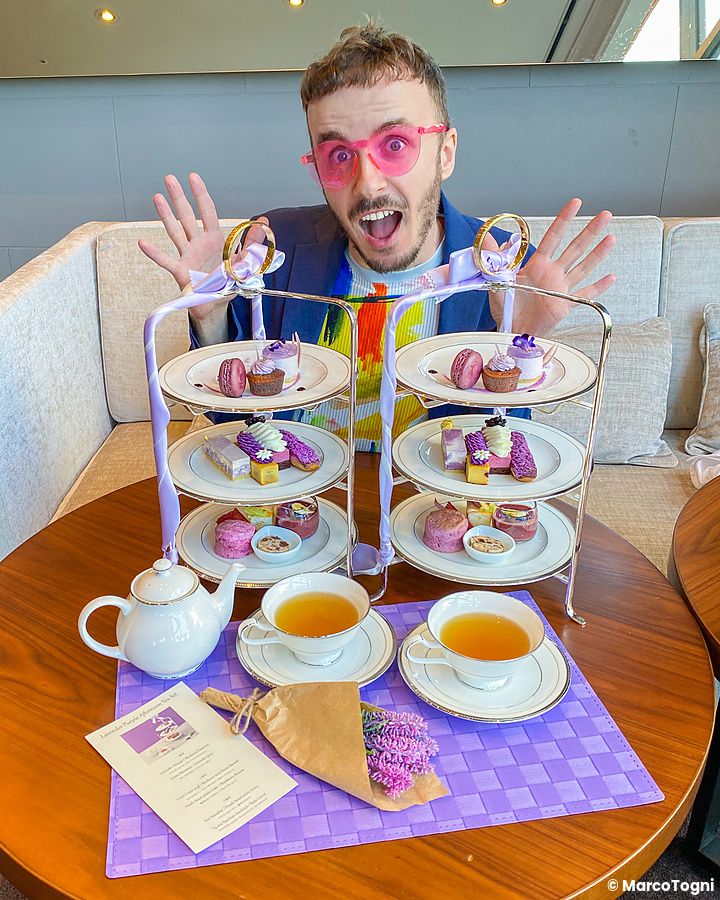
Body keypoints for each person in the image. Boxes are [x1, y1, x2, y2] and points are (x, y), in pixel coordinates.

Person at [139, 22, 616, 447]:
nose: (367, 184)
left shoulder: (506, 270)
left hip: (430, 504)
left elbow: (499, 456)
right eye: (338, 155)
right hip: (304, 500)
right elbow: (234, 423)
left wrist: (517, 344)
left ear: (445, 153)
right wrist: (211, 317)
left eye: (395, 144)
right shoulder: (272, 249)